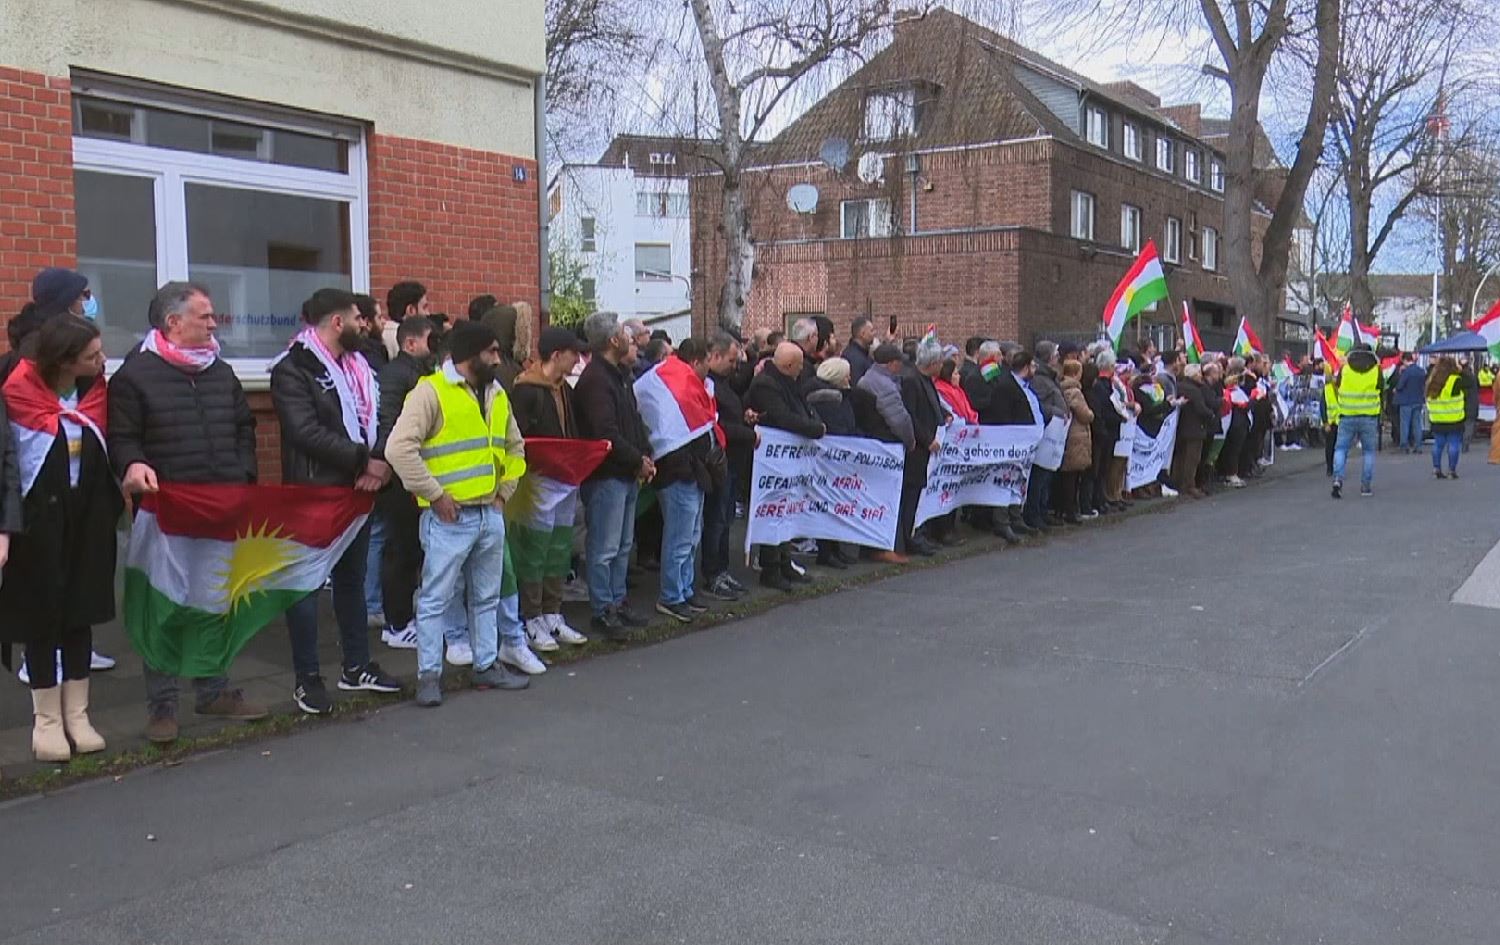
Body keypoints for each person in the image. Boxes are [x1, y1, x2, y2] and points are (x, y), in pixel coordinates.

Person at [109, 281, 269, 742]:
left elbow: (244, 426)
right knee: (166, 606)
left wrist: (244, 476)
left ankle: (213, 690)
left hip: (221, 509)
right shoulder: (134, 377)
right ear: (173, 322)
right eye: (204, 315)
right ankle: (162, 707)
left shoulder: (220, 372)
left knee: (213, 603)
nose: (214, 322)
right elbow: (122, 439)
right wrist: (132, 464)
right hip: (166, 515)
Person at [384, 320, 530, 706]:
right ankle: (428, 676)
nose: (498, 358)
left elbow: (515, 448)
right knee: (436, 600)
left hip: (487, 513)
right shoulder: (430, 392)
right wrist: (435, 496)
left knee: (485, 597)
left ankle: (485, 664)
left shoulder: (496, 394)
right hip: (450, 518)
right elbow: (398, 449)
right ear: (469, 355)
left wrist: (503, 493)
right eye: (492, 351)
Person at [271, 288, 402, 713]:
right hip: (316, 492)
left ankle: (356, 665)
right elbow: (304, 431)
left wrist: (379, 459)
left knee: (352, 580)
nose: (365, 326)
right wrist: (364, 460)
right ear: (336, 323)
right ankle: (307, 678)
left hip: (359, 491)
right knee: (305, 585)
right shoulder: (293, 369)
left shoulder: (361, 366)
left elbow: (381, 418)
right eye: (357, 319)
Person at [0, 315, 121, 761]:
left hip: (86, 518)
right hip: (37, 522)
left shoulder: (95, 391)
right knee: (40, 617)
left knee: (80, 612)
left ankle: (79, 716)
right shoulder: (18, 393)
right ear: (66, 360)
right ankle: (46, 723)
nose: (102, 360)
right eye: (93, 355)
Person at [574, 312, 655, 636]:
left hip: (625, 472)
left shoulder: (620, 376)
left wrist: (644, 454)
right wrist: (638, 459)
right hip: (607, 475)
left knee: (622, 545)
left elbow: (632, 422)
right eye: (624, 332)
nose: (630, 338)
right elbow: (604, 431)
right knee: (604, 547)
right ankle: (602, 608)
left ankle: (617, 602)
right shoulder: (596, 380)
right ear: (612, 341)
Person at [510, 326, 591, 648]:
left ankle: (551, 612)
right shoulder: (526, 390)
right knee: (535, 548)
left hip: (564, 479)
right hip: (538, 482)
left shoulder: (564, 389)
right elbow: (519, 438)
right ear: (557, 355)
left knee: (559, 546)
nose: (578, 359)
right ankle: (531, 617)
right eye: (573, 353)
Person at [372, 316, 436, 652]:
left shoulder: (418, 374)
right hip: (400, 476)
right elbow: (388, 424)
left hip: (414, 472)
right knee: (401, 548)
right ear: (410, 343)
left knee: (412, 548)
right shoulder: (396, 376)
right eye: (430, 339)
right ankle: (396, 623)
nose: (435, 346)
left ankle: (404, 616)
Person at [647, 338, 719, 623]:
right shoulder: (671, 391)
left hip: (693, 473)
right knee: (679, 538)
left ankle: (685, 590)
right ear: (696, 362)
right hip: (678, 474)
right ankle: (671, 595)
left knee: (691, 536)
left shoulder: (694, 390)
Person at [747, 342, 826, 585]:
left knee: (786, 510)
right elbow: (782, 417)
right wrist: (814, 429)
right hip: (772, 461)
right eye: (800, 365)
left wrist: (815, 422)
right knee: (774, 509)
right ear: (789, 365)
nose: (802, 370)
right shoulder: (766, 385)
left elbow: (801, 408)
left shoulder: (787, 382)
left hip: (788, 460)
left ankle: (784, 561)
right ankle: (771, 567)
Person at [702, 332, 755, 600]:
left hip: (732, 461)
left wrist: (745, 419)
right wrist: (748, 434)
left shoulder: (723, 383)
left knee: (724, 520)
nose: (736, 366)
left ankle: (721, 569)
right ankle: (713, 572)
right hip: (722, 460)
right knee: (717, 520)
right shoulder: (710, 386)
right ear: (716, 356)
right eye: (732, 361)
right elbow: (718, 425)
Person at [854, 344, 918, 562]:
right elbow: (899, 419)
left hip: (873, 444)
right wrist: (910, 441)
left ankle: (877, 546)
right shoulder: (884, 385)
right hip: (886, 445)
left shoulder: (867, 379)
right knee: (889, 498)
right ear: (891, 363)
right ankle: (887, 547)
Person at [805, 356, 860, 569]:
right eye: (846, 374)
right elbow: (840, 428)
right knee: (828, 503)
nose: (850, 378)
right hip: (830, 461)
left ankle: (833, 549)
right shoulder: (829, 400)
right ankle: (827, 551)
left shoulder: (839, 396)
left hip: (837, 459)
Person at [900, 339, 949, 555]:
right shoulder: (912, 380)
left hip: (928, 443)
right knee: (912, 495)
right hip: (918, 449)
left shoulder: (926, 380)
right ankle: (911, 536)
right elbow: (910, 415)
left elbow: (932, 404)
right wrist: (927, 439)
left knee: (921, 493)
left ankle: (919, 532)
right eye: (940, 362)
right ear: (933, 362)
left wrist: (944, 415)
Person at [1331, 343, 1382, 499]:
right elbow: (1381, 388)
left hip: (1347, 415)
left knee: (1341, 449)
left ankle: (1338, 479)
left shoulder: (1345, 370)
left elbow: (1337, 386)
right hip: (1369, 417)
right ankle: (1365, 487)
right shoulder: (1376, 371)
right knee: (1368, 452)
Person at [1024, 341, 1066, 530]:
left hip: (1054, 433)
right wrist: (1056, 412)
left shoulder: (1049, 377)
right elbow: (1039, 405)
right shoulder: (1040, 379)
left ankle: (1042, 510)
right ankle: (1033, 513)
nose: (1058, 358)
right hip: (1047, 432)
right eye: (1056, 355)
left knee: (1047, 476)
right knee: (1039, 477)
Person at [1054, 359, 1094, 524]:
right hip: (1076, 436)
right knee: (1072, 476)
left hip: (1069, 435)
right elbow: (1085, 414)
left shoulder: (1062, 388)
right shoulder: (1074, 392)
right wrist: (1091, 414)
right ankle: (1070, 510)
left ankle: (1063, 509)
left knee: (1068, 476)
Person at [1173, 362, 1216, 499]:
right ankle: (1189, 485)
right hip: (1195, 428)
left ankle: (1177, 482)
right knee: (1192, 459)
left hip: (1181, 428)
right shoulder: (1195, 390)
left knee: (1180, 457)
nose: (1200, 377)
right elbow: (1201, 409)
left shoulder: (1178, 386)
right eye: (1198, 374)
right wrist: (1212, 414)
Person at [1426, 356, 1466, 479]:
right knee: (1453, 444)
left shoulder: (1432, 381)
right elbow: (1470, 382)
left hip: (1437, 419)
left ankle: (1436, 468)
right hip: (1454, 419)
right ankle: (1451, 471)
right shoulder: (1456, 380)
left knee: (1438, 444)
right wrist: (1461, 369)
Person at [383, 280, 431, 360]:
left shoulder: (385, 334)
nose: (428, 313)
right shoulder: (399, 340)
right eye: (424, 307)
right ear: (411, 310)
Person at [1391, 352, 1425, 453]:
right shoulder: (1421, 371)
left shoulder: (1406, 372)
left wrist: (1395, 389)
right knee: (1417, 424)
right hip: (1418, 400)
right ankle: (1418, 445)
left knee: (1405, 424)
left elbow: (1400, 386)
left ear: (1405, 360)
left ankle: (1404, 445)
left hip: (1406, 401)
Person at [842, 317, 876, 387]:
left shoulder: (864, 354)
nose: (874, 333)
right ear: (862, 334)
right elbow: (857, 386)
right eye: (871, 331)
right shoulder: (854, 358)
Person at [1322, 361, 1340, 477]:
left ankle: (1337, 467)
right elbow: (1322, 406)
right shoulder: (1327, 389)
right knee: (1330, 446)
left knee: (1339, 447)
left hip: (1340, 421)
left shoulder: (1340, 388)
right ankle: (1330, 467)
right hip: (1330, 422)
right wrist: (1325, 422)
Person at [1459, 357, 1479, 452]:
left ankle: (1462, 443)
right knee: (1469, 425)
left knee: (1463, 425)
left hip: (1462, 404)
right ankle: (1465, 443)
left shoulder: (1461, 378)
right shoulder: (1473, 377)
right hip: (1472, 404)